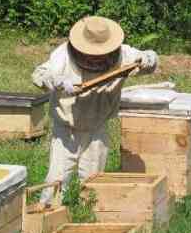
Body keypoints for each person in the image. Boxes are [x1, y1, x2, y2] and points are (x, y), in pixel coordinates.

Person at [32, 16, 158, 206]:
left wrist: (148, 59)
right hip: (66, 130)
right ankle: (47, 214)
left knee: (93, 180)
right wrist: (57, 82)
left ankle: (88, 214)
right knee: (56, 179)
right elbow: (39, 75)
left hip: (97, 128)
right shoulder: (63, 55)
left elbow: (151, 60)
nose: (95, 57)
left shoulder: (123, 54)